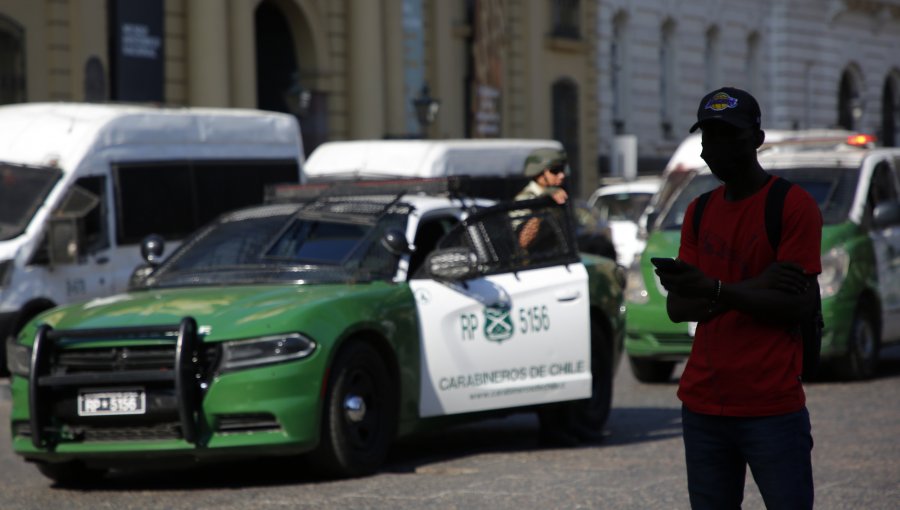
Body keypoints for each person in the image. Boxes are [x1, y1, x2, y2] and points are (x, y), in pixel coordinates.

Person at [653, 87, 821, 509]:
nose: (716, 149)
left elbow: (795, 306)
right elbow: (678, 308)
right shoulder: (700, 210)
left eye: (729, 136)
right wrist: (753, 286)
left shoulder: (792, 206)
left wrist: (715, 291)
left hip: (771, 406)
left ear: (756, 140)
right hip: (703, 405)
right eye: (709, 138)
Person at [514, 151, 569, 250]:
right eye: (555, 170)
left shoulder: (557, 194)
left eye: (562, 170)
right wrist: (539, 207)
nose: (561, 175)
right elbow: (522, 242)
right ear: (539, 173)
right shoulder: (525, 198)